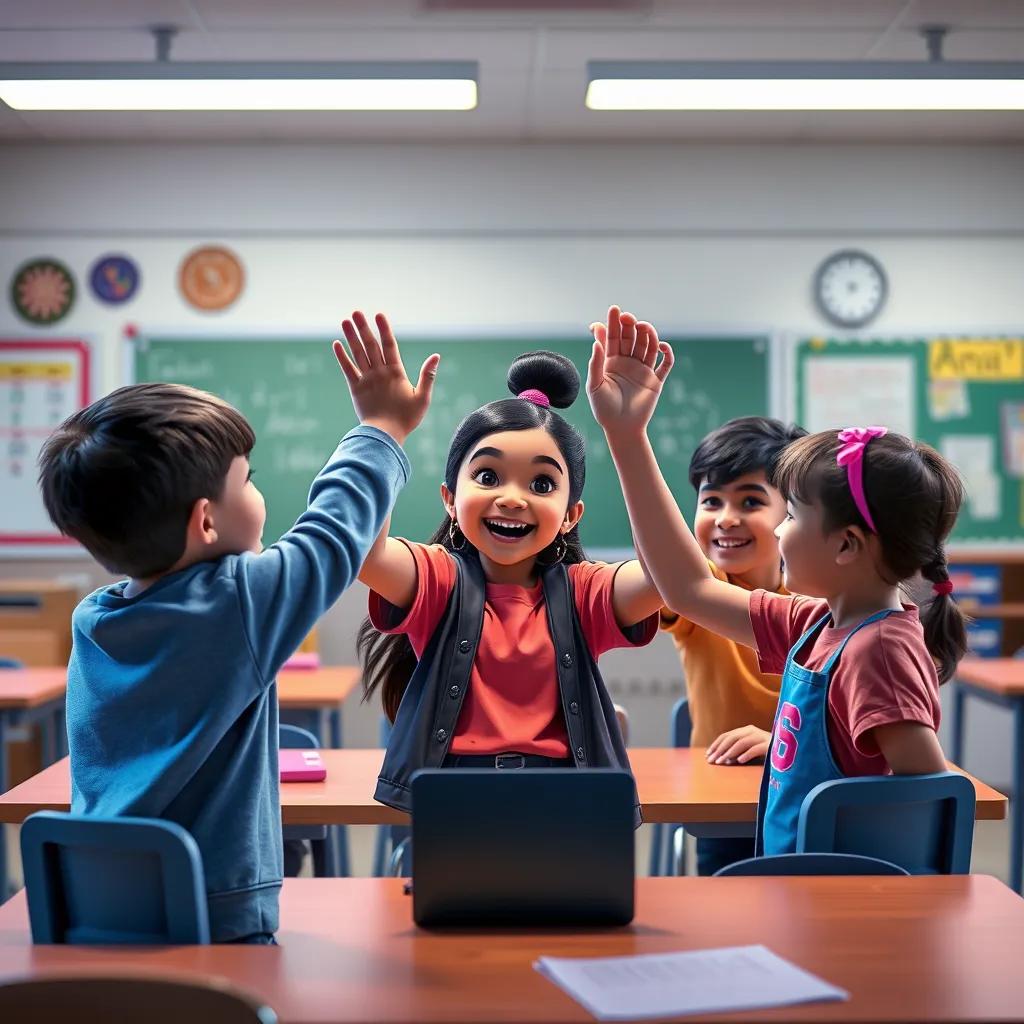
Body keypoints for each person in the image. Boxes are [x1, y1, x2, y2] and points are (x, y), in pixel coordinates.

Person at [37, 312, 437, 941]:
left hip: (97, 904)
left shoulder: (96, 617)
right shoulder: (237, 603)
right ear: (206, 522)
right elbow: (331, 534)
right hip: (215, 914)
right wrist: (381, 427)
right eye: (247, 481)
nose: (259, 494)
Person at [587, 306, 966, 856]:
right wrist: (626, 436)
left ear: (845, 544)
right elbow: (688, 588)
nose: (781, 532)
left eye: (791, 517)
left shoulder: (879, 650)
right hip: (797, 873)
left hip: (842, 902)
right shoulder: (820, 623)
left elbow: (928, 801)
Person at [355, 322, 663, 823]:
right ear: (451, 499)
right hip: (455, 797)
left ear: (570, 515)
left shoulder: (586, 593)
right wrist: (383, 430)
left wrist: (629, 440)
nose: (513, 498)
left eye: (543, 483)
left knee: (575, 906)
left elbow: (666, 580)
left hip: (568, 802)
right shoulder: (438, 580)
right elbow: (366, 554)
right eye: (487, 476)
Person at [660, 416, 806, 875]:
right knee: (726, 909)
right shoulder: (701, 592)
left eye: (750, 501)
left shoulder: (821, 601)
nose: (726, 517)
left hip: (803, 794)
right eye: (711, 501)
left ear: (794, 514)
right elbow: (672, 573)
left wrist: (782, 744)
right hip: (722, 802)